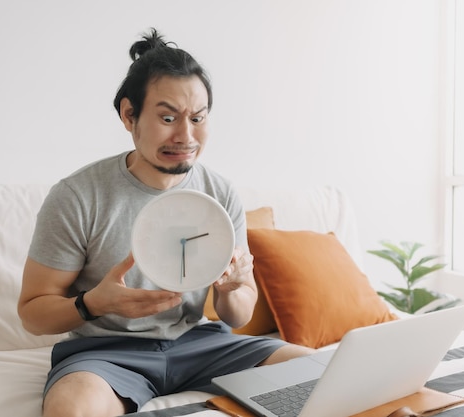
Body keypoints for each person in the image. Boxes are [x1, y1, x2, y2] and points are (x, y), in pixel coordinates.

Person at [17, 28, 314, 417]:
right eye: (168, 117)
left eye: (197, 118)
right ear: (129, 114)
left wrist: (232, 288)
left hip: (203, 344)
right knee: (71, 410)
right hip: (106, 355)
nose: (185, 136)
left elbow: (239, 314)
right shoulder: (77, 196)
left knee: (327, 375)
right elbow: (32, 314)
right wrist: (93, 304)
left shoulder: (219, 193)